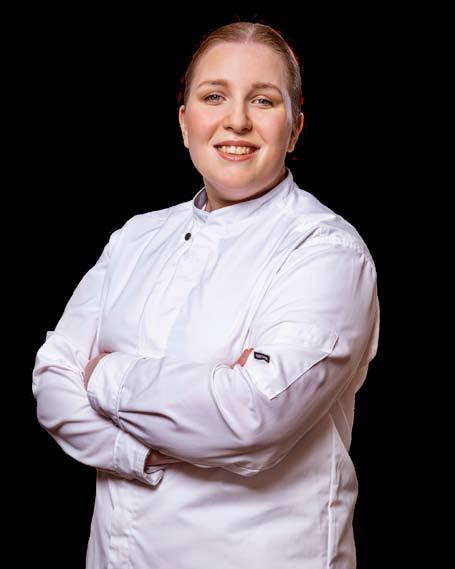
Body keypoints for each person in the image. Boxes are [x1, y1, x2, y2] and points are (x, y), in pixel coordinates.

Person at [32, 21, 380, 569]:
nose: (236, 120)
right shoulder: (136, 237)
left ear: (294, 129)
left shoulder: (326, 251)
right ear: (184, 122)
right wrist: (135, 450)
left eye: (263, 100)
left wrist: (103, 375)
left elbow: (249, 419)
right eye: (214, 96)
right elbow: (52, 382)